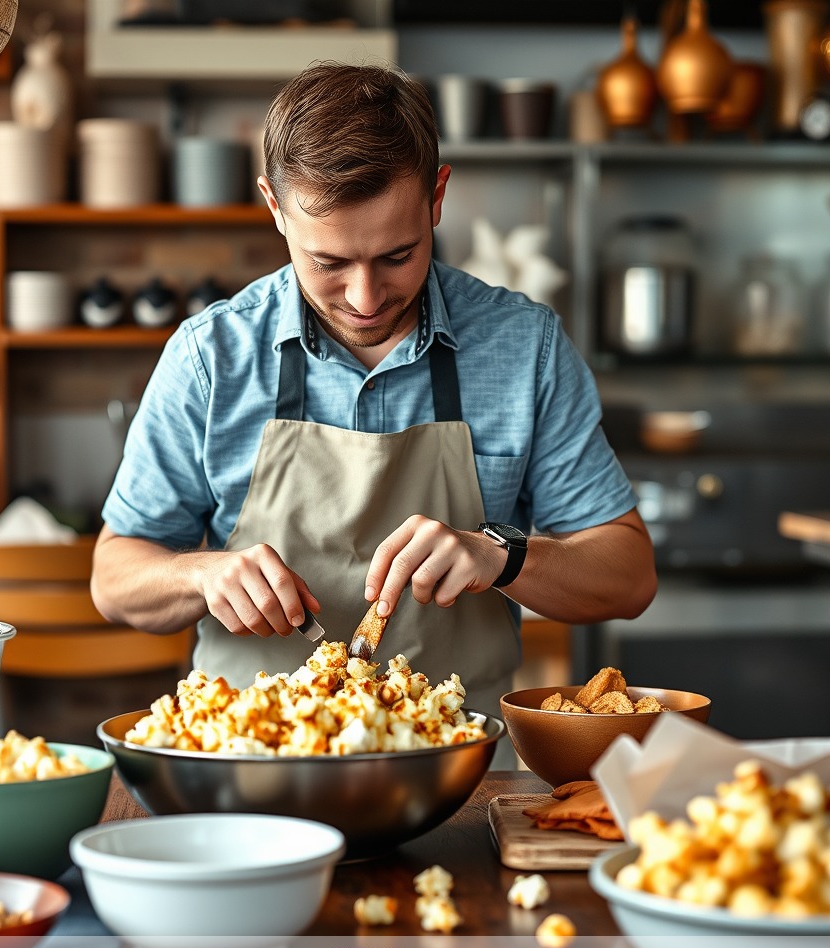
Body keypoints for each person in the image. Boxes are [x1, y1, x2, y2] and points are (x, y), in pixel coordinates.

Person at [91, 60, 657, 766]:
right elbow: (114, 578)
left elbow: (629, 575)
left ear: (437, 197)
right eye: (329, 263)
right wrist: (200, 576)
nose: (365, 297)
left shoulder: (524, 348)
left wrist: (501, 555)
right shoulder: (211, 357)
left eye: (397, 255)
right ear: (275, 207)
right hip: (248, 770)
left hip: (458, 776)